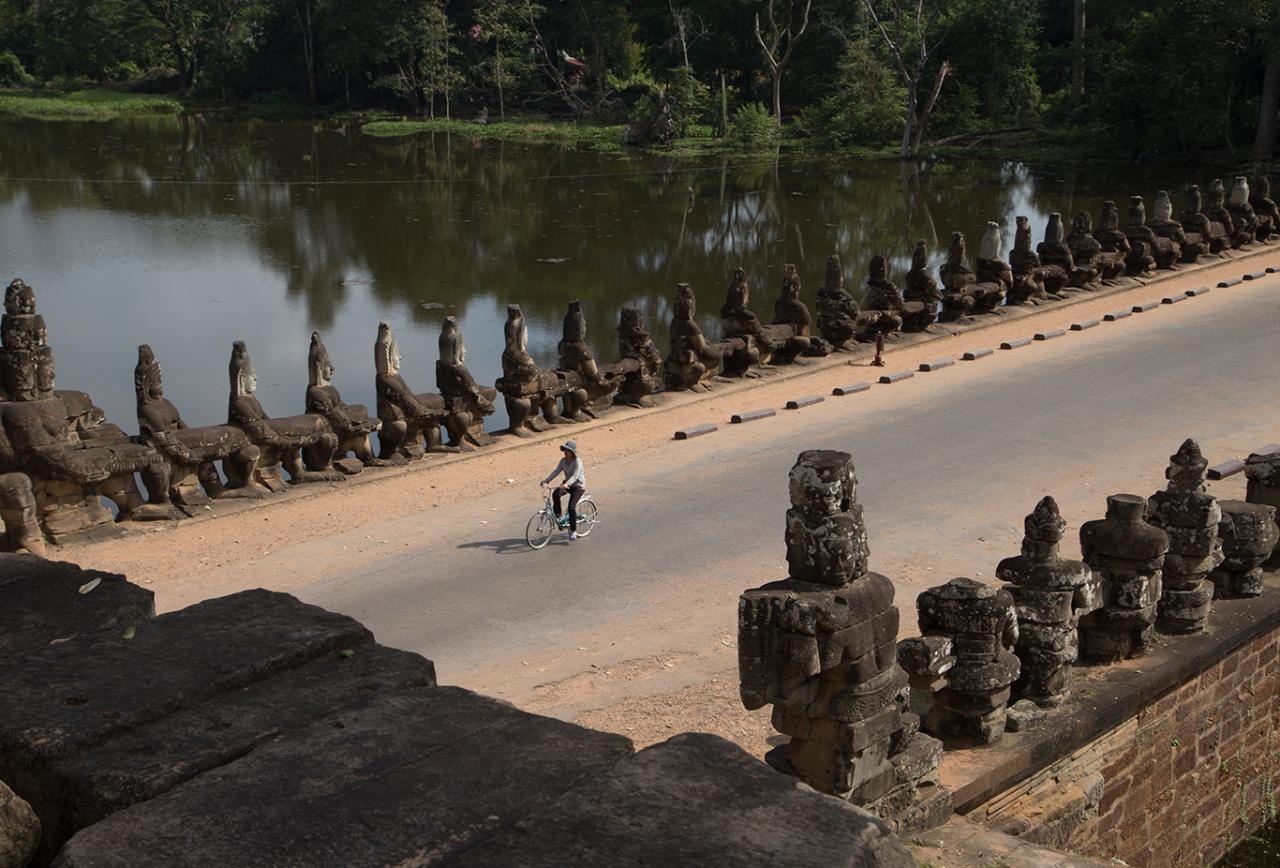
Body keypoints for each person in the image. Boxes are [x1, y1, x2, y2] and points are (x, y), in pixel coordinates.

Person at [541, 439, 586, 541]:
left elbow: (575, 476)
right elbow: (556, 471)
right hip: (568, 485)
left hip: (578, 486)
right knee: (556, 493)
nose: (565, 452)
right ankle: (558, 514)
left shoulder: (577, 462)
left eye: (567, 450)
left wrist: (566, 484)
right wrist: (546, 481)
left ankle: (573, 530)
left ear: (572, 452)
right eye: (564, 450)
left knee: (571, 508)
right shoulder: (563, 461)